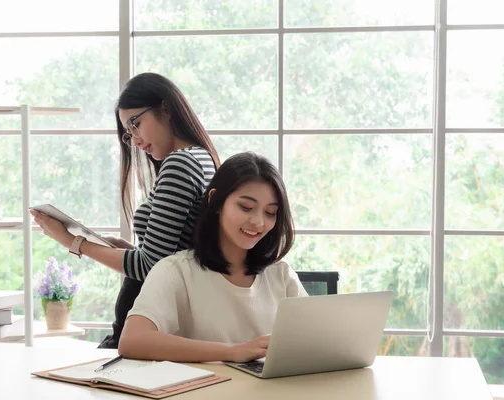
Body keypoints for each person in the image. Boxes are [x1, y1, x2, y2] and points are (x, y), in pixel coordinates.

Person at [30, 72, 220, 348]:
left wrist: (73, 242)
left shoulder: (180, 165)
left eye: (136, 124)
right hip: (157, 318)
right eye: (129, 133)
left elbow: (149, 266)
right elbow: (170, 255)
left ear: (165, 107)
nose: (136, 139)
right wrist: (126, 248)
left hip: (151, 321)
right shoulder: (200, 158)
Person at [118, 152, 308, 363]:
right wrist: (233, 352)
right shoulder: (175, 270)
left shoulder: (281, 275)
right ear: (216, 202)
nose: (258, 222)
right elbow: (133, 341)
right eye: (246, 207)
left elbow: (315, 340)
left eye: (270, 212)